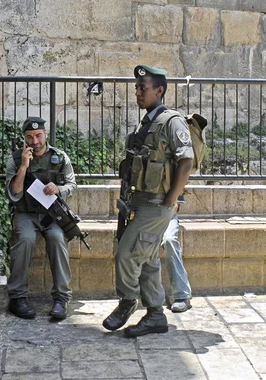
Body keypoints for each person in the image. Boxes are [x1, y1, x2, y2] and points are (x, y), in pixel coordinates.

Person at [102, 65, 194, 337]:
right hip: (140, 200)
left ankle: (128, 301)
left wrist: (170, 200)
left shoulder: (171, 121)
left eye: (143, 88)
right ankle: (155, 315)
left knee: (127, 254)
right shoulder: (148, 122)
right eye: (137, 88)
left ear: (160, 90)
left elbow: (186, 161)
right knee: (148, 258)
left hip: (156, 204)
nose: (138, 92)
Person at [5, 116, 77, 320]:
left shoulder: (60, 157)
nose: (34, 141)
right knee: (26, 239)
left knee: (56, 238)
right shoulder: (16, 158)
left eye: (38, 135)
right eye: (29, 137)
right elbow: (14, 194)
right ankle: (17, 297)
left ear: (45, 134)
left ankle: (62, 298)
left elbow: (72, 185)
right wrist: (23, 167)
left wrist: (59, 189)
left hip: (51, 215)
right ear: (24, 138)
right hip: (25, 214)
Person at [162, 195, 192, 313]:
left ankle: (181, 294)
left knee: (169, 240)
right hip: (144, 215)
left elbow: (176, 204)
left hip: (167, 213)